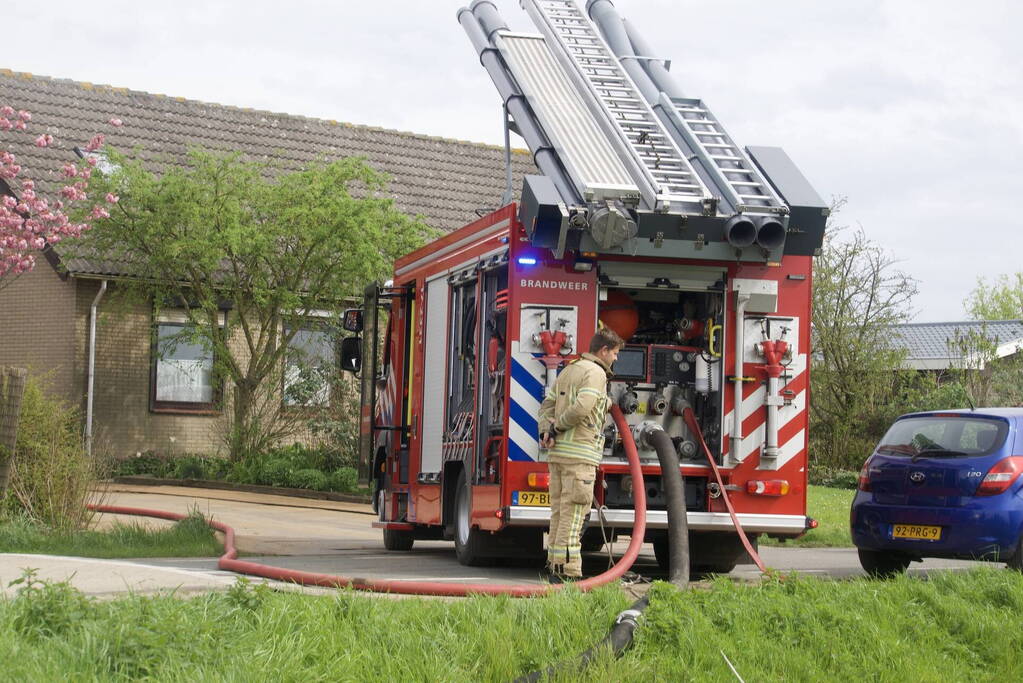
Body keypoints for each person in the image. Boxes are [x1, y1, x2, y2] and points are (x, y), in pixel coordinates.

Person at [538, 327, 623, 581]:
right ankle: (569, 573)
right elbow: (583, 407)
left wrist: (546, 431)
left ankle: (555, 567)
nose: (616, 358)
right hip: (580, 457)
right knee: (574, 516)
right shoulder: (596, 373)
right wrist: (558, 427)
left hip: (558, 456)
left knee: (559, 513)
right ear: (603, 350)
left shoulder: (569, 369)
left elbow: (547, 405)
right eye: (615, 353)